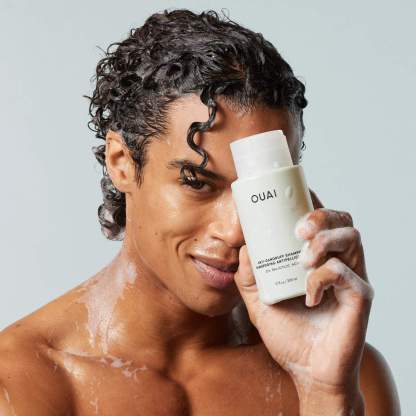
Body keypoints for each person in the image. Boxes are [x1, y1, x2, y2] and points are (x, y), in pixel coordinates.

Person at [0, 8, 400, 415]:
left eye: (260, 192)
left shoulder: (349, 376)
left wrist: (324, 393)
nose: (236, 230)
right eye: (197, 182)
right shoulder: (22, 383)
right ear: (121, 163)